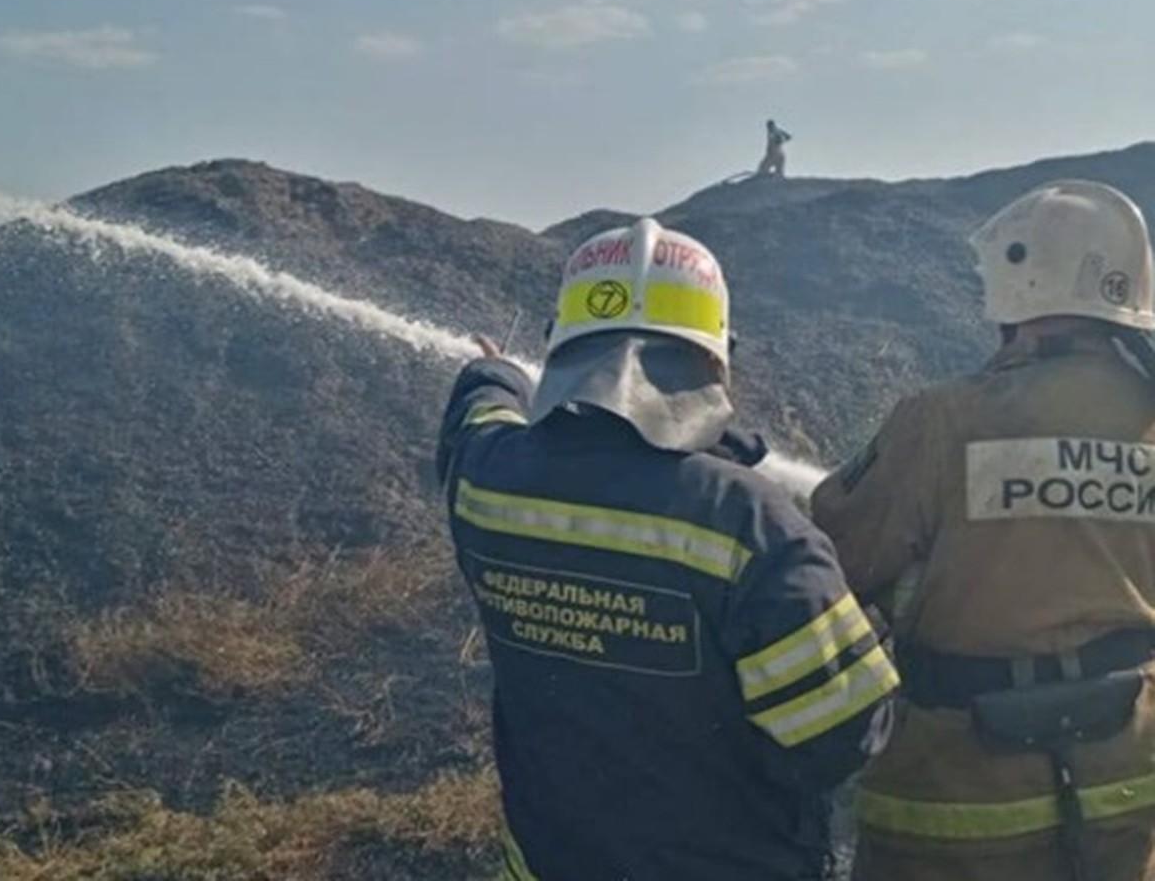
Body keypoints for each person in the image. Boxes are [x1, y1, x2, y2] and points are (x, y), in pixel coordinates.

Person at [437, 215, 897, 881]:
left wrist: (493, 370)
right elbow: (843, 734)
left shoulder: (487, 476)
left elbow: (477, 415)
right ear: (716, 355)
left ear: (559, 348)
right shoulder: (752, 522)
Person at [812, 179, 1155, 881]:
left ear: (1013, 286)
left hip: (957, 803)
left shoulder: (943, 419)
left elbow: (831, 557)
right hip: (1129, 789)